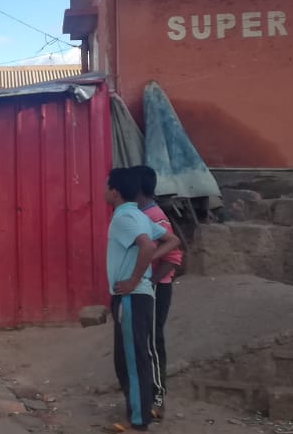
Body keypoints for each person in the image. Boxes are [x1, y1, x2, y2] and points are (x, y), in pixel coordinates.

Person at [104, 168, 181, 432]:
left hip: (132, 296)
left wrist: (134, 279)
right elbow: (173, 240)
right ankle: (140, 411)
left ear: (115, 192)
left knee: (133, 358)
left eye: (106, 186)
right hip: (136, 295)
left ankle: (137, 419)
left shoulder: (125, 217)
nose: (103, 190)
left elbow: (148, 246)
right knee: (130, 356)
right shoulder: (139, 214)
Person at [132, 165, 184, 420]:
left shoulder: (154, 215)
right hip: (144, 287)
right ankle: (145, 396)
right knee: (143, 342)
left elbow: (174, 256)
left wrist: (151, 282)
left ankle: (158, 399)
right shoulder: (139, 213)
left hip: (156, 288)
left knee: (152, 343)